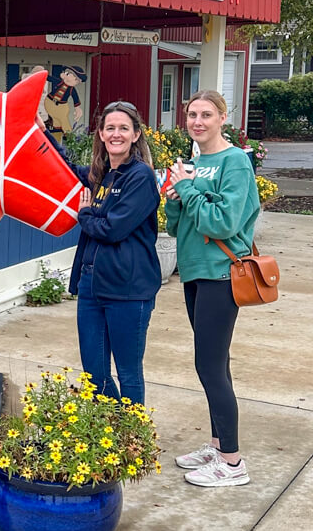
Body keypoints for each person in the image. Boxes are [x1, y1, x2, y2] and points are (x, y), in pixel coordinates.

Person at [167, 90, 259, 488]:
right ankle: (219, 444)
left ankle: (233, 464)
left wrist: (187, 189)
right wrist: (175, 196)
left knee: (209, 365)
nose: (197, 121)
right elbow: (177, 227)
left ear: (223, 118)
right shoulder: (195, 163)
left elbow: (222, 223)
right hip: (194, 272)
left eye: (206, 114)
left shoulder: (235, 161)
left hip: (221, 274)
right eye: (192, 115)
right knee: (215, 365)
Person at [42, 100, 161, 405]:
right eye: (110, 128)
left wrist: (84, 216)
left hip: (128, 290)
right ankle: (111, 431)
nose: (116, 134)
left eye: (124, 128)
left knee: (128, 372)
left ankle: (132, 441)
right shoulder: (102, 174)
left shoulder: (140, 177)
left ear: (136, 135)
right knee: (94, 373)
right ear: (101, 133)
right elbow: (65, 167)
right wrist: (41, 129)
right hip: (91, 285)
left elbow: (113, 229)